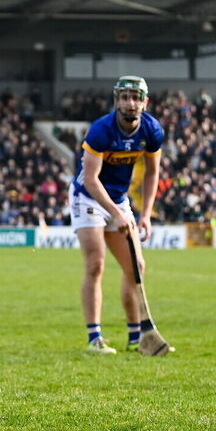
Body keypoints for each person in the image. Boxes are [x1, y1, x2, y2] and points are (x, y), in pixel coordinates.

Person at [70, 75, 163, 355]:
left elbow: (152, 174)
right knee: (96, 265)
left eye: (136, 97)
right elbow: (90, 179)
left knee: (136, 267)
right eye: (124, 97)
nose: (130, 103)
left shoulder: (152, 130)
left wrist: (145, 215)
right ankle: (94, 338)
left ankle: (138, 336)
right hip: (89, 197)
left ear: (145, 102)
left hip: (119, 200)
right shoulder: (101, 130)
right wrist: (116, 214)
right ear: (116, 101)